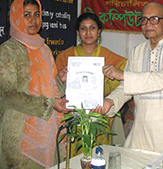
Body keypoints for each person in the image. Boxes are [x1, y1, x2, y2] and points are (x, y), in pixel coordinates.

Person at [93, 2, 163, 157]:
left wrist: (122, 74)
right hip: (142, 132)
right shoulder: (137, 51)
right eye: (144, 20)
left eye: (154, 19)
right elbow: (126, 87)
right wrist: (110, 101)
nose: (148, 24)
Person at [0, 0, 70, 169]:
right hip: (18, 138)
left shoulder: (44, 49)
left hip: (46, 134)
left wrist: (60, 80)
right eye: (26, 15)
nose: (33, 20)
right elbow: (9, 96)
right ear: (16, 17)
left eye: (36, 14)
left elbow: (50, 87)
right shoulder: (7, 51)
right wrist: (49, 105)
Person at [55, 12, 131, 150]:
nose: (88, 32)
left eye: (92, 28)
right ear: (78, 32)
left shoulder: (111, 58)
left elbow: (127, 78)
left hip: (100, 116)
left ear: (99, 31)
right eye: (83, 28)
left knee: (99, 154)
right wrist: (60, 80)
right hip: (73, 117)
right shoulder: (65, 57)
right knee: (74, 156)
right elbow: (54, 89)